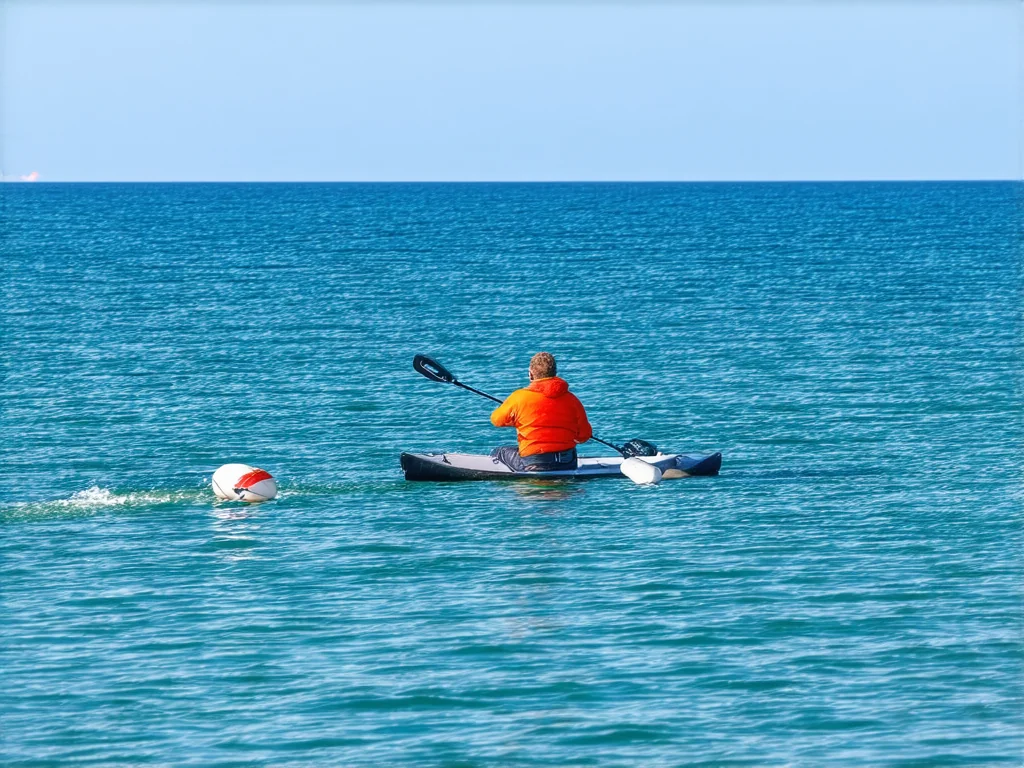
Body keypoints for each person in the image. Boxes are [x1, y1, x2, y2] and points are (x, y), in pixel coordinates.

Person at [489, 352, 593, 471]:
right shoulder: (572, 399)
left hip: (533, 463)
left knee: (499, 452)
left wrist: (518, 420)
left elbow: (496, 420)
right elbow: (584, 436)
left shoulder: (519, 397)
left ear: (531, 374)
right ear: (554, 373)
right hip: (567, 463)